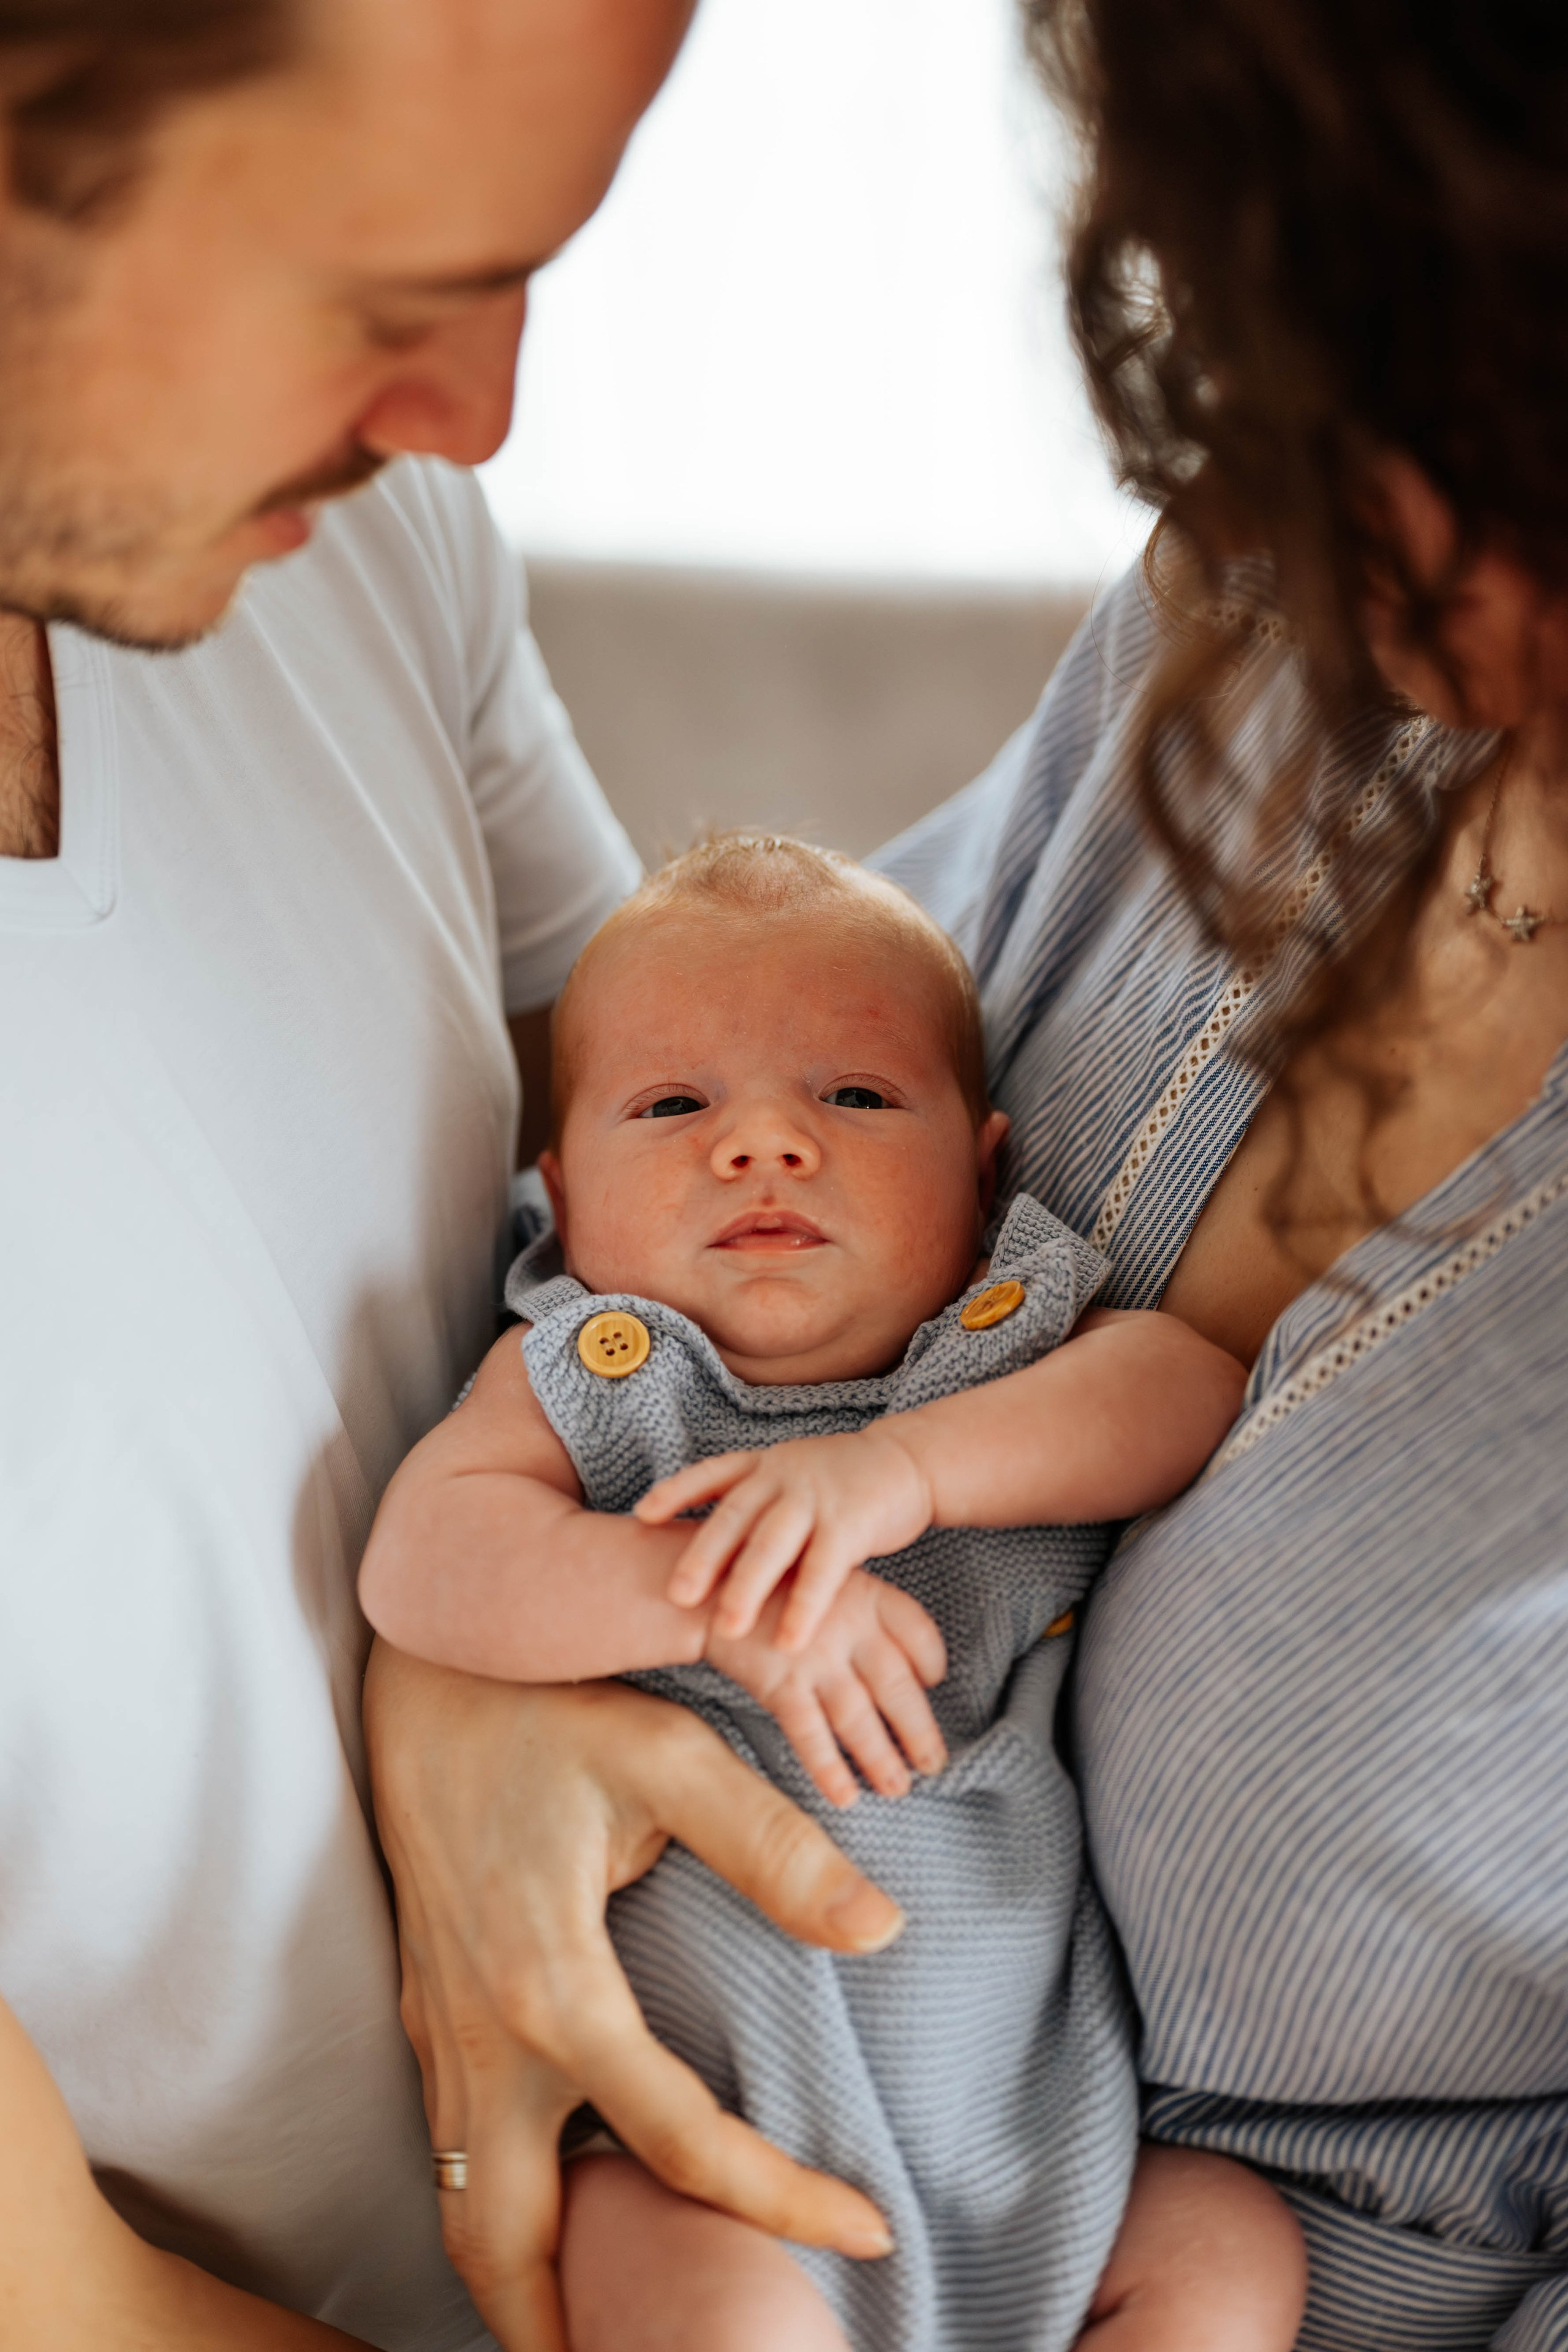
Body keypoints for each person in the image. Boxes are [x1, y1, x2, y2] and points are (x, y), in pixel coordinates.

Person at [362, 4, 1568, 2347]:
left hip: (1210, 2244)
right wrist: (500, 1692)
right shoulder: (1288, 587)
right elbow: (802, 1023)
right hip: (751, 2121)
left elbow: (1148, 1393)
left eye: (1412, 369)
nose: (1266, 478)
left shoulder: (992, 1358)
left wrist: (893, 1478)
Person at [0, 1, 698, 2347]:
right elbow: (63, 2306)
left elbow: (669, 1182)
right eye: (383, 295)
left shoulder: (342, 529)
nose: (474, 412)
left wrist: (464, 1627)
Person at [361, 834, 1292, 2352]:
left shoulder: (1009, 1347)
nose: (762, 1146)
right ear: (562, 1193)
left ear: (982, 1173)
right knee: (692, 2301)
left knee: (1228, 2243)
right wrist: (708, 1597)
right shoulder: (599, 1375)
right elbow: (423, 1562)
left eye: (853, 1097)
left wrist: (907, 1472)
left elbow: (1184, 1386)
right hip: (716, 2154)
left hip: (1036, 2137)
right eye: (672, 1108)